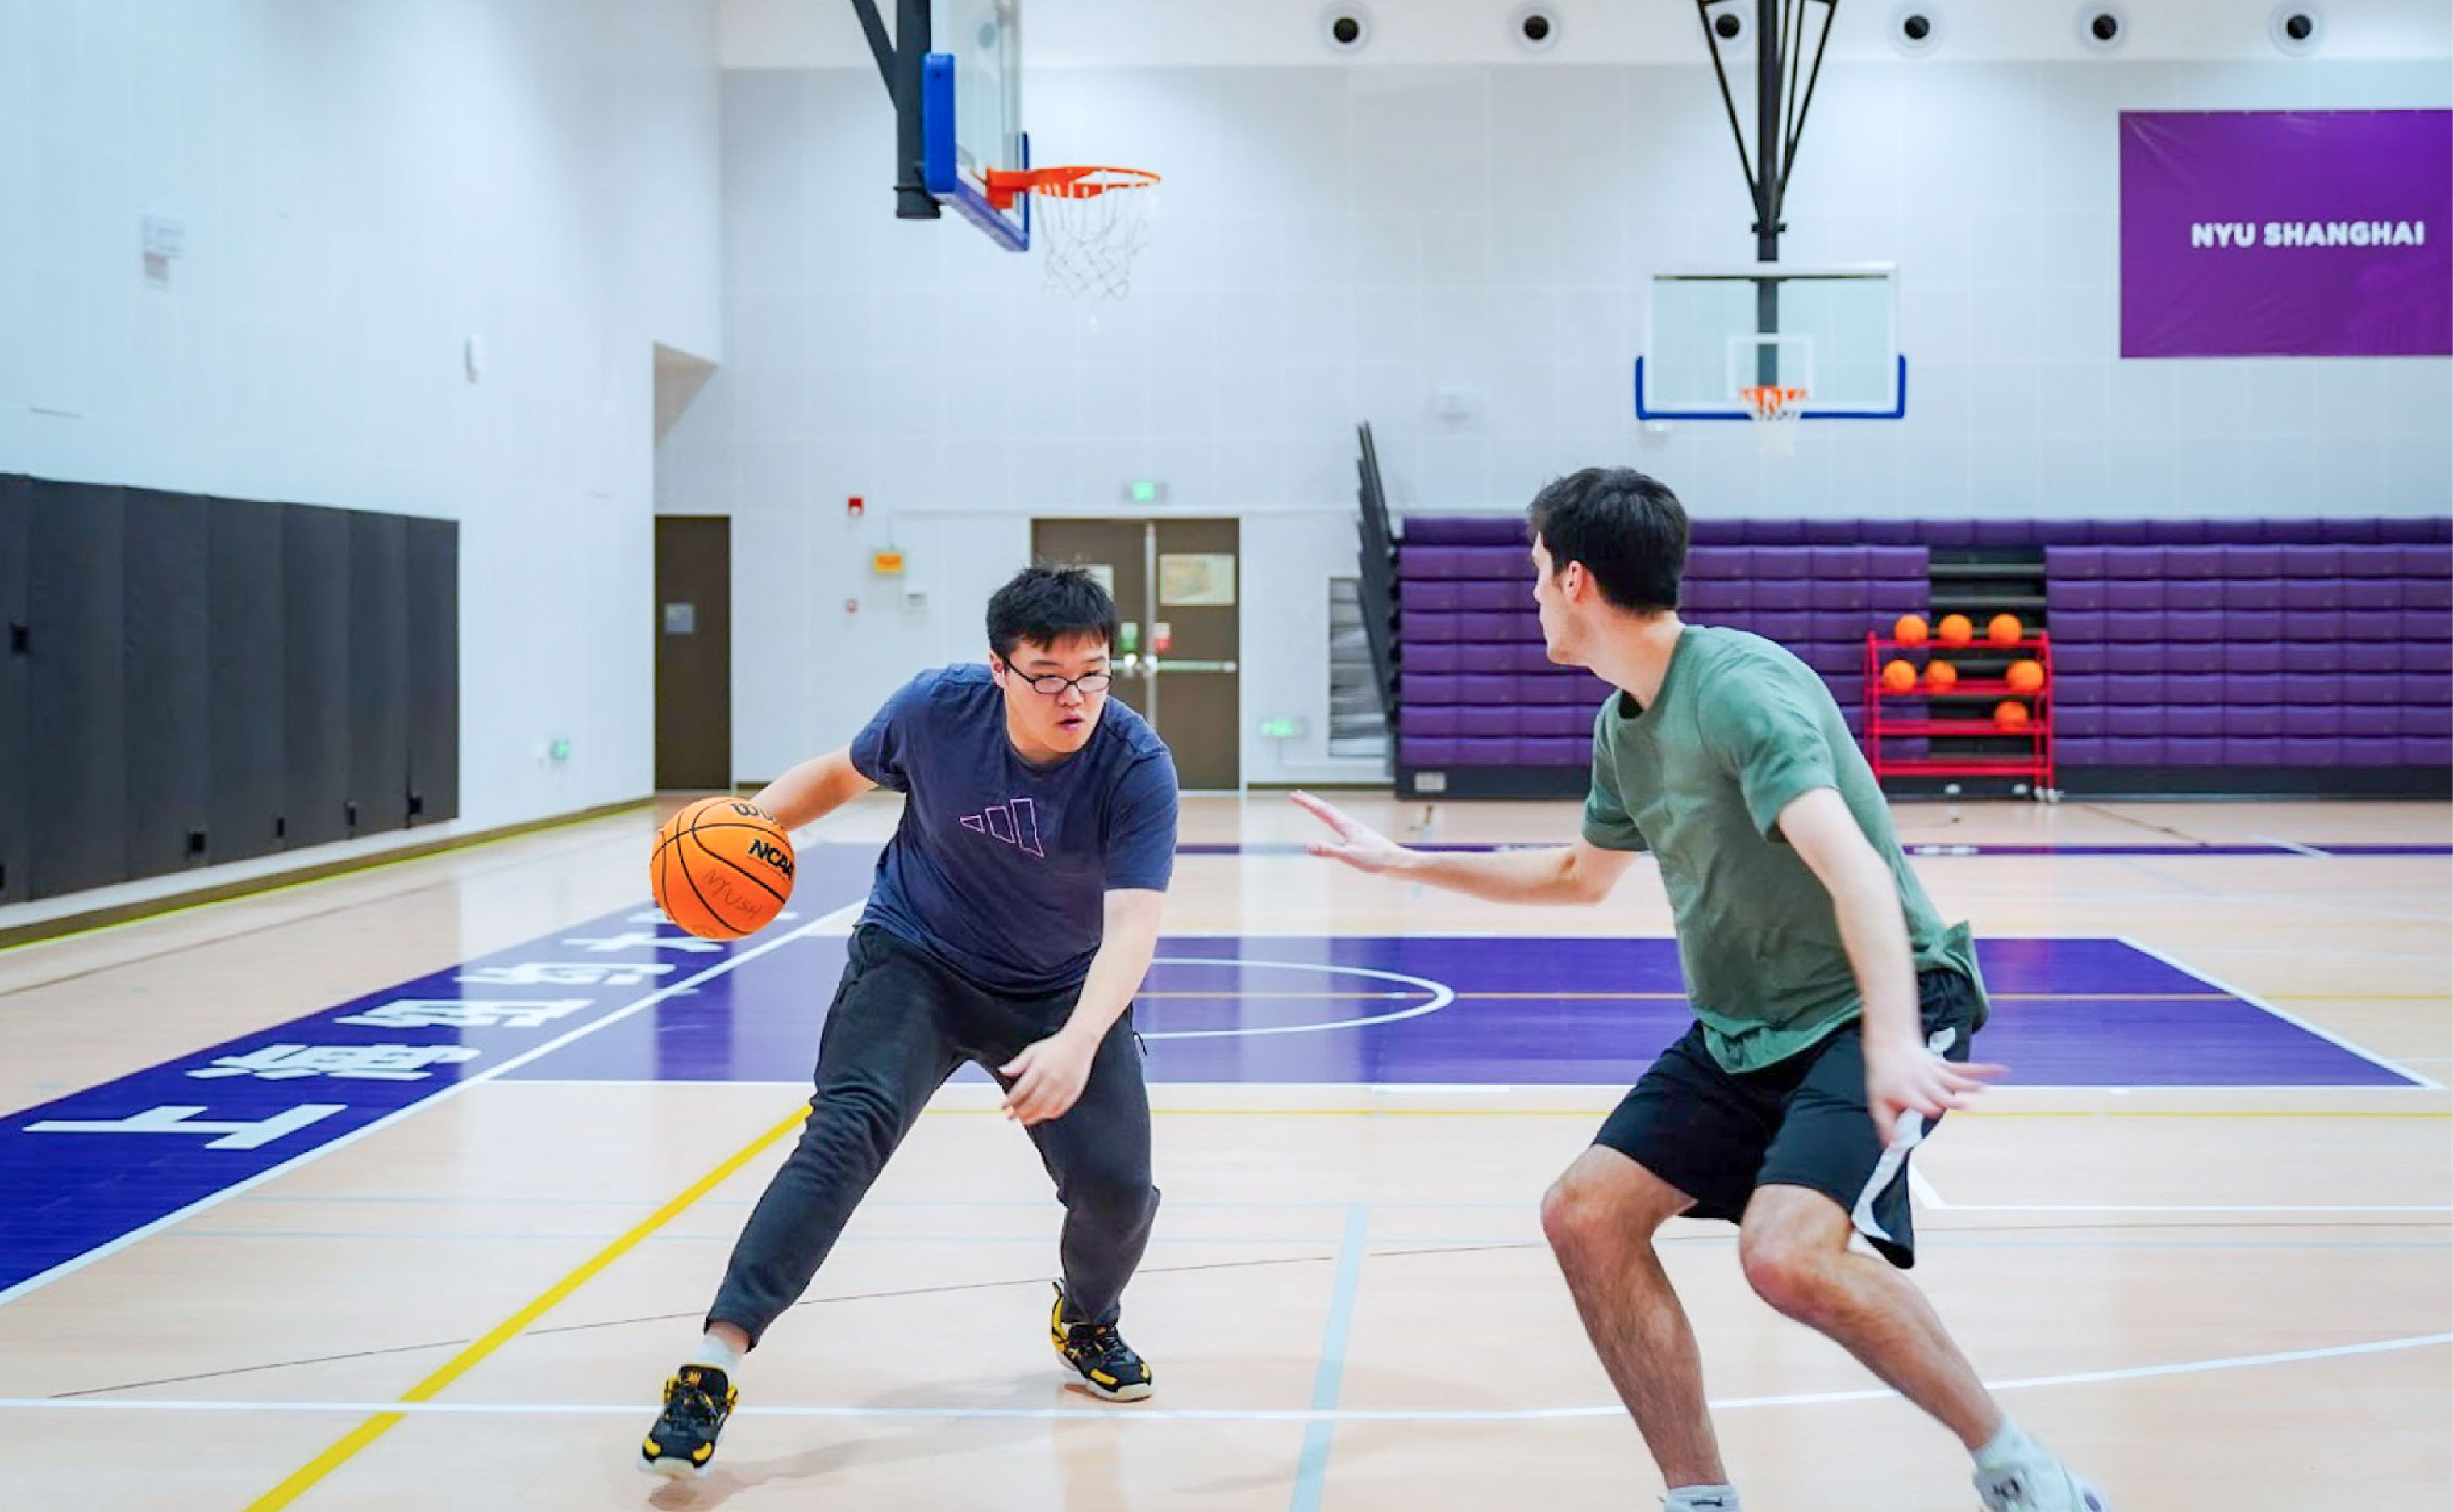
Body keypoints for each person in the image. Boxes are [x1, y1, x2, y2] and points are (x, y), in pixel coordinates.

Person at [1294, 469, 2109, 1512]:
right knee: (1584, 1215)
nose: (1531, 593)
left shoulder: (1736, 686)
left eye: (1536, 572)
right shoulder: (1622, 728)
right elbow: (1576, 878)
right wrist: (1404, 861)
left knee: (1784, 1255)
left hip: (1869, 1002)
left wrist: (1896, 1038)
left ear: (1576, 578)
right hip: (1743, 1030)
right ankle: (1699, 1497)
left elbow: (1856, 865)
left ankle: (2018, 1467)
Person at [640, 565, 1179, 1479]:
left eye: (1094, 671)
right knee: (843, 1134)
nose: (1075, 694)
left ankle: (1087, 1320)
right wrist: (747, 825)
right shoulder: (937, 710)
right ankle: (714, 1362)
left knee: (1119, 1191)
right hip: (917, 958)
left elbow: (1133, 927)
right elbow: (840, 776)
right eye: (1049, 673)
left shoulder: (1134, 765)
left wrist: (1079, 1039)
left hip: (1056, 989)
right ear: (999, 669)